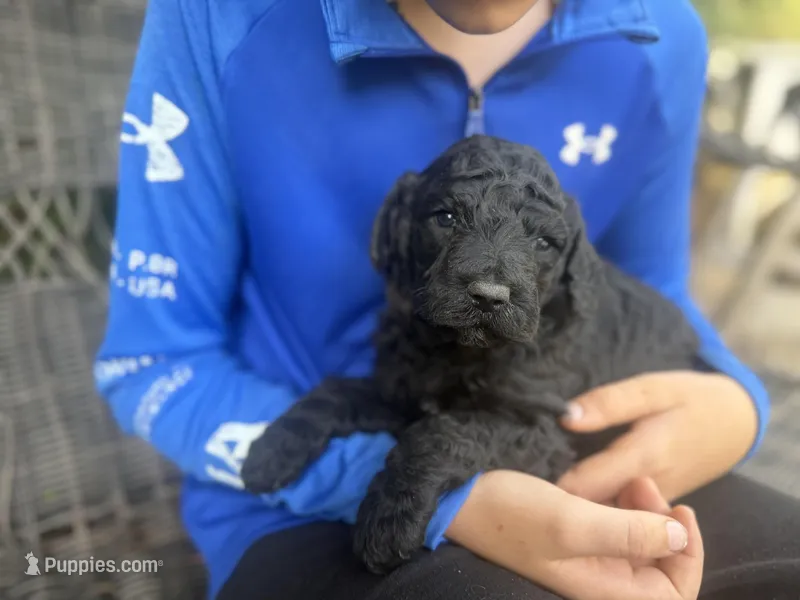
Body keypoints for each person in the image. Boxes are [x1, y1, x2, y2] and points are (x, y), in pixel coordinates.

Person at [94, 0, 800, 598]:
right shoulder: (218, 18)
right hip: (298, 501)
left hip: (589, 451)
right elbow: (150, 361)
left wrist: (738, 402)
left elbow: (653, 288)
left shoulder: (660, 34)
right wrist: (448, 496)